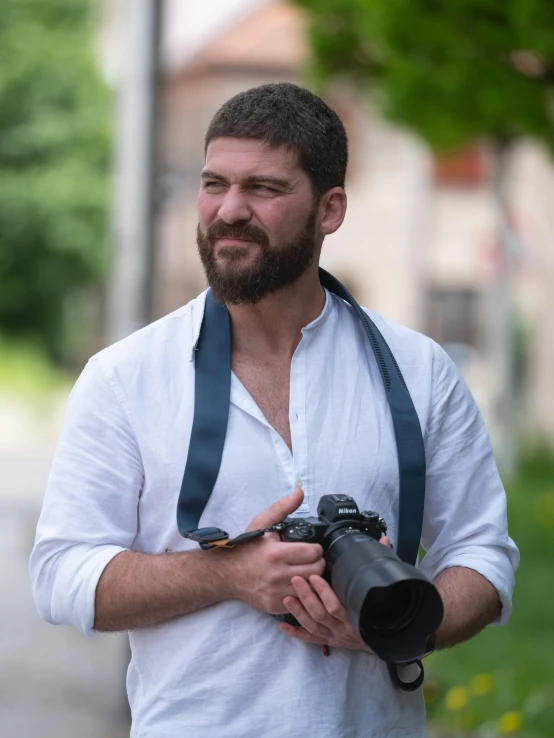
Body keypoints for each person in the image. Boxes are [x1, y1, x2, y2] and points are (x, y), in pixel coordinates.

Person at [30, 83, 519, 737]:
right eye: (213, 183)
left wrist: (402, 626)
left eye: (263, 188)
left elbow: (482, 553)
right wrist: (229, 573)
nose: (229, 210)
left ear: (330, 208)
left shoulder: (420, 370)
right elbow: (62, 574)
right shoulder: (124, 377)